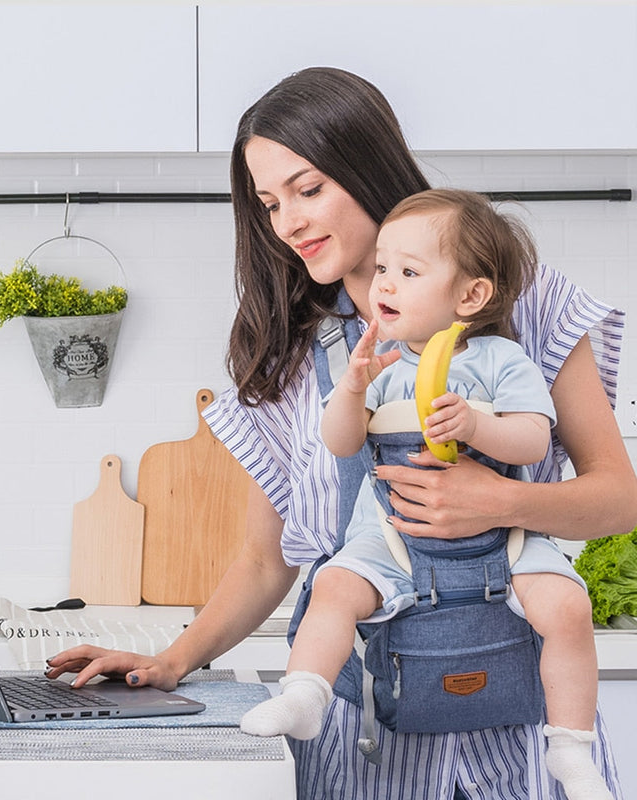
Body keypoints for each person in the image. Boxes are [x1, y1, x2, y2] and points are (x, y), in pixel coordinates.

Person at [45, 67, 637, 799]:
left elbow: (617, 498)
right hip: (363, 743)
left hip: (521, 740)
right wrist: (172, 659)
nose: (288, 221)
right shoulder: (291, 352)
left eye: (309, 187)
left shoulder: (520, 297)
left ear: (367, 167)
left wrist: (500, 504)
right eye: (268, 203)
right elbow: (268, 560)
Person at [238, 188, 612, 800]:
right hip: (391, 540)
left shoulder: (502, 360)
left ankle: (570, 747)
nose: (383, 284)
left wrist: (476, 427)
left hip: (505, 541)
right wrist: (354, 390)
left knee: (568, 608)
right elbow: (340, 443)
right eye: (382, 267)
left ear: (470, 296)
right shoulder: (380, 365)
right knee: (333, 587)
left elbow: (531, 441)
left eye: (408, 273)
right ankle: (304, 693)